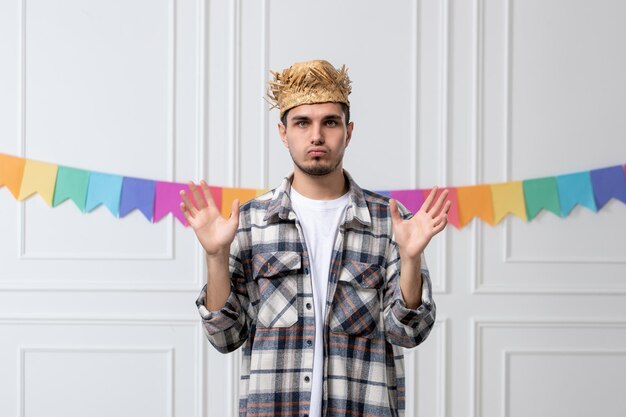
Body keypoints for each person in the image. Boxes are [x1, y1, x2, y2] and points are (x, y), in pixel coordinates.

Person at [180, 60, 450, 417]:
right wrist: (215, 256)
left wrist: (411, 259)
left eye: (330, 122)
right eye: (302, 122)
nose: (317, 136)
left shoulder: (391, 221)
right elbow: (225, 337)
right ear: (283, 132)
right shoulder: (248, 222)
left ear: (349, 131)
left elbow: (408, 334)